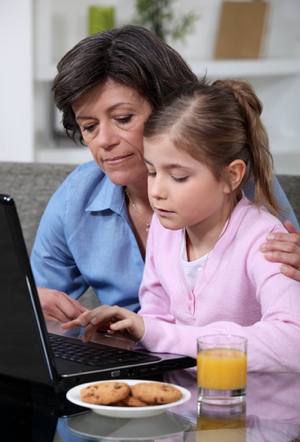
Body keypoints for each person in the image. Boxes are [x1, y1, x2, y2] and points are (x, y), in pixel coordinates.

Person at [31, 25, 300, 324]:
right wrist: (32, 301)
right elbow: (34, 299)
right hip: (131, 360)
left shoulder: (234, 181)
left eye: (123, 118)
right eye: (89, 126)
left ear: (168, 110)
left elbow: (288, 293)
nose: (104, 140)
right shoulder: (75, 198)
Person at [63, 79, 300, 373]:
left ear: (232, 176)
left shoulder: (266, 241)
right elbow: (156, 319)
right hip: (181, 408)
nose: (157, 191)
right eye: (152, 172)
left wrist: (159, 334)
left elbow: (293, 341)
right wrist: (131, 330)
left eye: (178, 177)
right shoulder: (165, 231)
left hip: (257, 413)